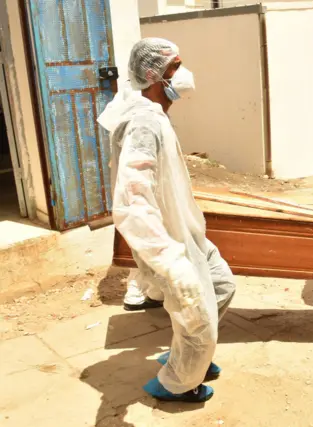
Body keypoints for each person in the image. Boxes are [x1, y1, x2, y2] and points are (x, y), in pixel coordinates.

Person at [98, 38, 236, 402]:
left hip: (187, 233)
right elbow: (133, 197)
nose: (183, 74)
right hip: (167, 243)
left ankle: (186, 358)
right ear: (152, 74)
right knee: (198, 319)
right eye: (175, 67)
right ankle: (176, 383)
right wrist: (168, 260)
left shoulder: (156, 115)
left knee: (220, 287)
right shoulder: (143, 122)